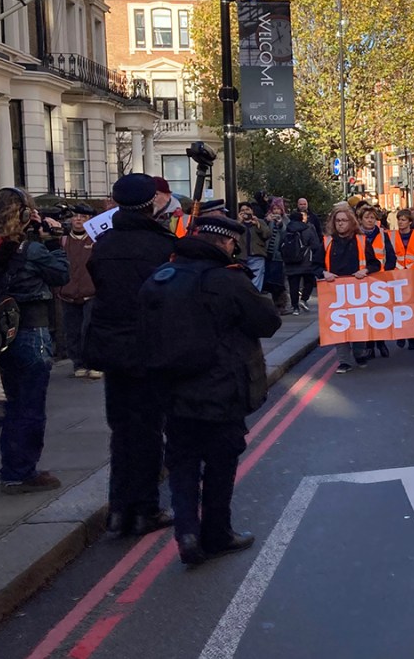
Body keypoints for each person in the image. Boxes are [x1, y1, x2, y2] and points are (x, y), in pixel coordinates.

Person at [140, 215, 282, 565]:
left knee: (182, 463)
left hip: (173, 390)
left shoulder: (162, 277)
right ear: (226, 242)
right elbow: (268, 322)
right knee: (220, 462)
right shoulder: (228, 280)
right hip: (222, 388)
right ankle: (217, 534)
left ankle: (187, 533)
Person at [86, 173, 176, 534]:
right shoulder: (162, 245)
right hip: (148, 347)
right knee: (149, 430)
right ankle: (145, 510)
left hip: (111, 347)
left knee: (121, 430)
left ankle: (119, 510)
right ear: (152, 203)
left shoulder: (103, 244)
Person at [0, 188, 69, 494]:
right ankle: (20, 473)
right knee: (29, 406)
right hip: (30, 330)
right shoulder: (29, 250)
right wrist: (53, 241)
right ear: (23, 215)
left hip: (0, 333)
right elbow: (61, 274)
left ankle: (13, 468)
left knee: (13, 403)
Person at [324, 204, 381, 371]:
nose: (341, 223)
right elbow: (315, 265)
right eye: (338, 221)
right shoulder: (327, 242)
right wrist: (323, 272)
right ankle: (344, 361)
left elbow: (375, 264)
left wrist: (365, 270)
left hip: (357, 290)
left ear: (351, 222)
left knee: (357, 324)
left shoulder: (361, 241)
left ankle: (359, 353)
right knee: (339, 325)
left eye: (344, 220)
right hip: (334, 290)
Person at [57, 204, 100, 379]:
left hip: (91, 292)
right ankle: (78, 363)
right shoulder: (63, 241)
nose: (78, 219)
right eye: (76, 216)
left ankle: (94, 363)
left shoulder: (96, 241)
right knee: (72, 331)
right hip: (68, 293)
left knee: (90, 330)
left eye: (83, 217)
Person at [357, 203, 396, 359]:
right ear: (360, 220)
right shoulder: (356, 236)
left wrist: (386, 271)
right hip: (362, 279)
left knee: (379, 313)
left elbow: (391, 255)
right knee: (366, 314)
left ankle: (381, 343)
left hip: (380, 280)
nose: (370, 220)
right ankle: (369, 346)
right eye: (367, 217)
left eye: (372, 217)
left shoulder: (382, 234)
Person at [391, 208, 414, 352]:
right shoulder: (391, 236)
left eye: (404, 220)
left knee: (413, 306)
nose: (400, 222)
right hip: (397, 276)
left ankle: (412, 337)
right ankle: (401, 334)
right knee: (399, 306)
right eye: (399, 220)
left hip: (413, 275)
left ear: (410, 222)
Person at [283, 211, 321, 315]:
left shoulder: (287, 229)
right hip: (306, 261)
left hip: (290, 262)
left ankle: (295, 307)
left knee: (293, 285)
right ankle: (304, 299)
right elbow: (315, 245)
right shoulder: (308, 228)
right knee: (309, 281)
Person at [238, 203, 272, 292]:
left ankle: (254, 297)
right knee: (243, 280)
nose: (245, 212)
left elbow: (267, 235)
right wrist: (238, 223)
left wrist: (257, 225)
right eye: (242, 210)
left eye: (247, 209)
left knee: (256, 281)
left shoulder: (260, 221)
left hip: (257, 256)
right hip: (242, 257)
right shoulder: (237, 223)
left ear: (252, 211)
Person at [263, 198, 289, 312]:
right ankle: (274, 303)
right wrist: (266, 222)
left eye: (278, 209)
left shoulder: (285, 220)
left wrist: (280, 224)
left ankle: (281, 304)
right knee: (270, 281)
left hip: (279, 255)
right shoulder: (267, 219)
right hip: (268, 253)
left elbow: (286, 234)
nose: (276, 211)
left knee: (279, 281)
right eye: (274, 209)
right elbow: (264, 234)